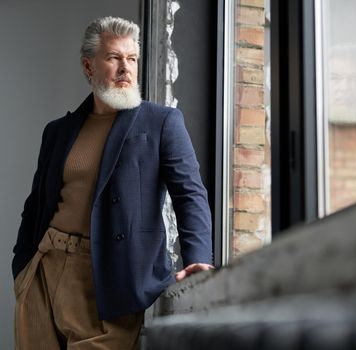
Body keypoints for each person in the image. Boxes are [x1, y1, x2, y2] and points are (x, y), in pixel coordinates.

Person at [12, 16, 214, 349]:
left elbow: (189, 193)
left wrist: (197, 257)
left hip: (110, 276)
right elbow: (36, 205)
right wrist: (22, 269)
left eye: (131, 58)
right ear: (88, 66)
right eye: (114, 58)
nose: (126, 68)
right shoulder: (58, 131)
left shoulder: (162, 122)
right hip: (44, 272)